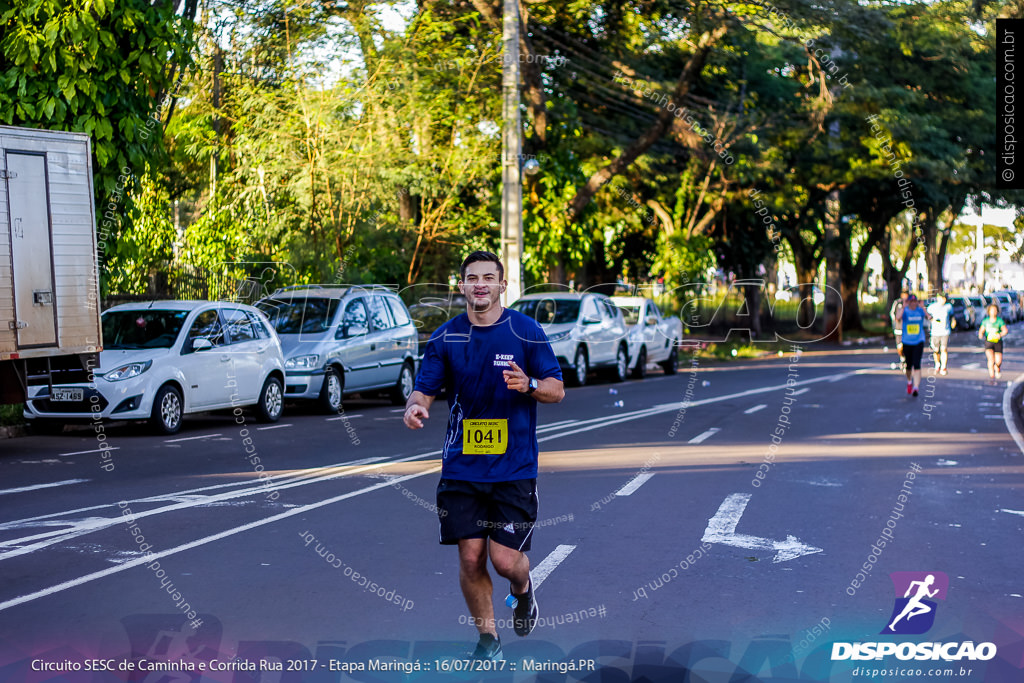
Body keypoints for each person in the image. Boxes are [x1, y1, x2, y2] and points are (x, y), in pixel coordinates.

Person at [404, 251, 565, 661]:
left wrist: (528, 383)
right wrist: (416, 405)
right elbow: (425, 388)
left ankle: (523, 590)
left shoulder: (526, 332)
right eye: (472, 278)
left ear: (501, 285)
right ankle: (488, 639)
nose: (480, 284)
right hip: (462, 467)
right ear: (461, 286)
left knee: (505, 560)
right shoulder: (446, 338)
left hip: (513, 468)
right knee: (472, 556)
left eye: (488, 278)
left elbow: (556, 389)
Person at [895, 294, 929, 396]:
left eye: (915, 302)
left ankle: (916, 387)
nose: (913, 304)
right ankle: (909, 381)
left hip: (919, 341)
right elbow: (898, 318)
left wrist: (923, 307)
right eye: (911, 302)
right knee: (908, 365)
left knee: (917, 363)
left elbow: (929, 317)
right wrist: (904, 307)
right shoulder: (905, 311)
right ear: (908, 302)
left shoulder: (920, 311)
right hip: (907, 341)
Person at [977, 303, 1008, 383]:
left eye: (995, 310)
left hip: (997, 342)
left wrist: (1000, 334)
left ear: (997, 311)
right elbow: (981, 330)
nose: (993, 312)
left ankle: (997, 368)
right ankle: (992, 376)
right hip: (989, 342)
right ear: (989, 312)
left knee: (998, 361)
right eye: (991, 310)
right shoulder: (986, 321)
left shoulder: (999, 321)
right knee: (991, 359)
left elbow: (1005, 330)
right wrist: (980, 334)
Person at [926, 293, 955, 375]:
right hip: (935, 332)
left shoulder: (948, 307)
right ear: (938, 298)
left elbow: (952, 316)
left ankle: (944, 367)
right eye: (942, 298)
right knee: (936, 350)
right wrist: (931, 319)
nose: (944, 300)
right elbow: (927, 314)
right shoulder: (932, 307)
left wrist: (953, 321)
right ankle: (937, 364)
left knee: (943, 349)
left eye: (945, 298)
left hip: (945, 331)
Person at [890, 291, 910, 372]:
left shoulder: (910, 304)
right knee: (899, 347)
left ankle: (907, 362)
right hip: (899, 329)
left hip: (908, 330)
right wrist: (895, 323)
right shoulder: (897, 303)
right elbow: (892, 314)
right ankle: (902, 358)